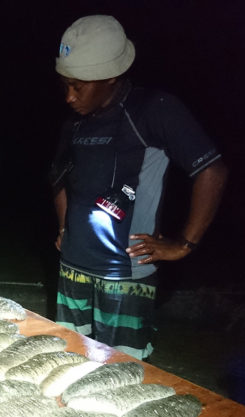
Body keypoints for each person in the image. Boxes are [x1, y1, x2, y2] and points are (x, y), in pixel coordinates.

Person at [49, 15, 228, 359]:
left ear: (110, 76)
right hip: (73, 268)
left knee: (120, 374)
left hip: (125, 276)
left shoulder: (154, 109)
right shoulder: (74, 123)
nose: (69, 97)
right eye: (65, 85)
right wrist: (63, 225)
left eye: (78, 86)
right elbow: (58, 176)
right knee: (68, 361)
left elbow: (212, 171)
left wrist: (185, 243)